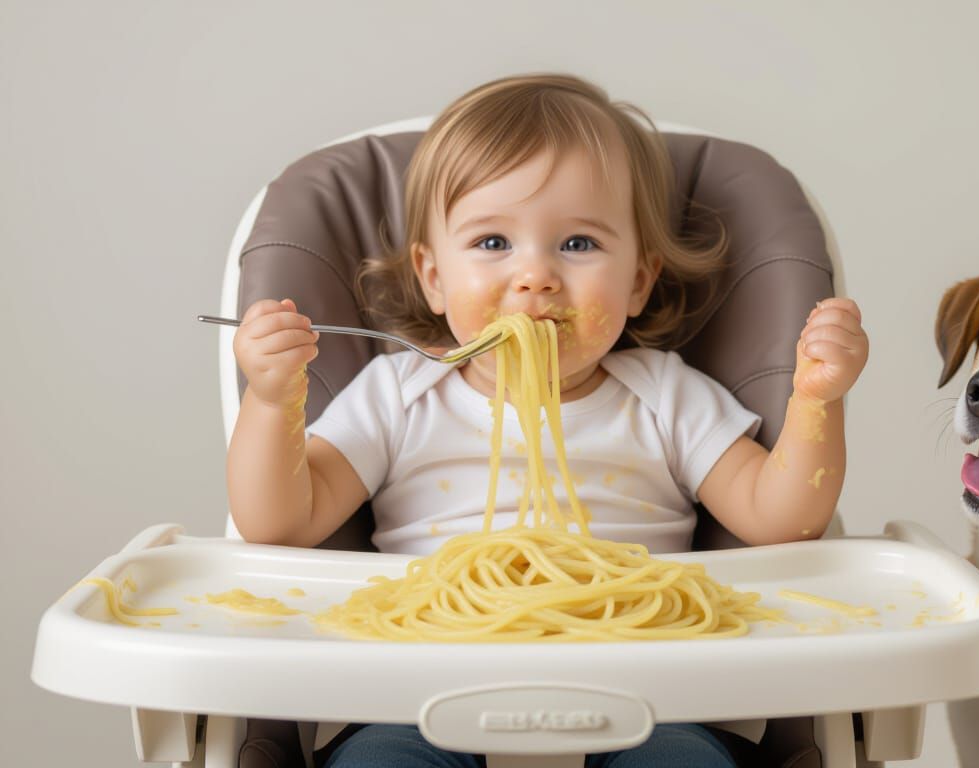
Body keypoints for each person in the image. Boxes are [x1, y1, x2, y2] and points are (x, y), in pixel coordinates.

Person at [227, 73, 868, 768]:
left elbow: (782, 520)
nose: (535, 277)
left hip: (649, 697)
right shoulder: (400, 394)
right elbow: (280, 524)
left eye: (579, 245)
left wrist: (815, 400)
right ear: (433, 276)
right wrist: (271, 402)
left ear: (639, 280)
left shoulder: (664, 397)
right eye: (493, 243)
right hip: (417, 696)